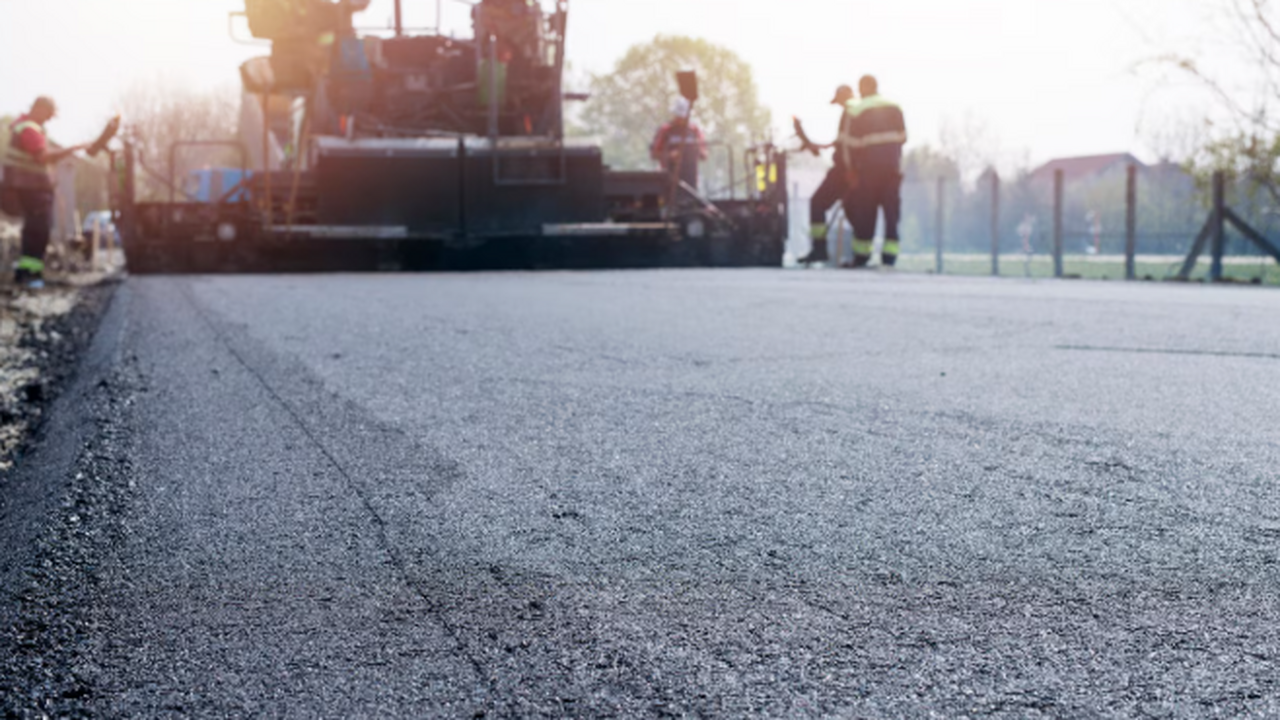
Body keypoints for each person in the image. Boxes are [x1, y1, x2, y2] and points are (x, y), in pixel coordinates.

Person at [2, 97, 84, 288]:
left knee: (35, 229)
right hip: (30, 190)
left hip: (29, 189)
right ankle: (29, 275)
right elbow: (43, 156)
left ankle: (29, 273)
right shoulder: (29, 129)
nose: (48, 119)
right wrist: (71, 149)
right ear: (39, 109)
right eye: (48, 114)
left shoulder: (24, 126)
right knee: (37, 230)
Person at [840, 75, 907, 268]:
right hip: (892, 169)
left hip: (868, 170)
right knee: (891, 213)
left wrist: (851, 170)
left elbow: (849, 145)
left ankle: (862, 256)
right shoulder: (895, 106)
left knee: (865, 213)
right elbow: (902, 138)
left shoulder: (857, 109)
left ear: (862, 88)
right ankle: (889, 257)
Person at [796, 84, 856, 265]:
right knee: (853, 210)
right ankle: (858, 254)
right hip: (848, 169)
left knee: (818, 203)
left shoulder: (850, 112)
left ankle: (820, 249)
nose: (839, 105)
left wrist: (849, 169)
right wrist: (819, 146)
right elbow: (840, 142)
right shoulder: (853, 114)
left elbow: (846, 146)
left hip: (844, 171)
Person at [651, 97, 709, 192]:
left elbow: (704, 154)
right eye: (678, 117)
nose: (680, 120)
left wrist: (697, 152)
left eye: (683, 117)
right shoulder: (666, 130)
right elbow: (654, 154)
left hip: (690, 180)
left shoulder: (694, 130)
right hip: (668, 178)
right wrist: (669, 156)